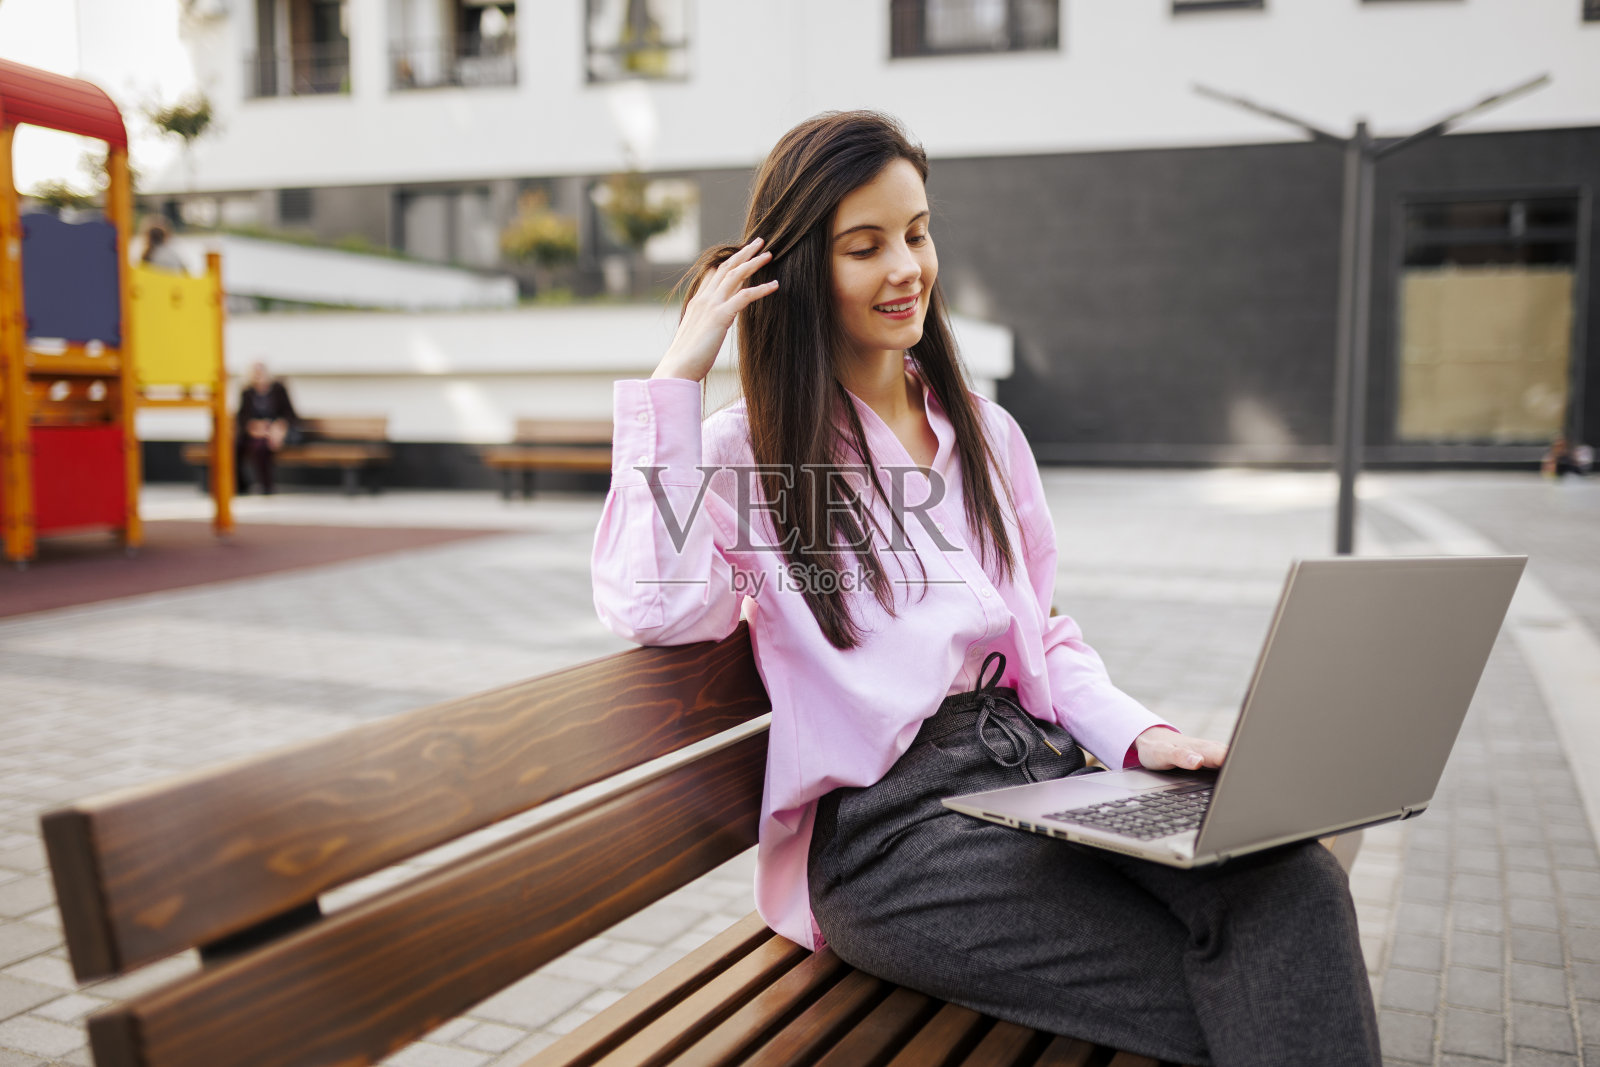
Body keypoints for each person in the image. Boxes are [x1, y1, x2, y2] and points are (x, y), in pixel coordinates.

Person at [590, 111, 1380, 1066]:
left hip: (1042, 781)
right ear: (801, 269)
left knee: (1290, 879)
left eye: (917, 232)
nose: (906, 267)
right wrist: (679, 375)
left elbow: (1041, 633)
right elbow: (656, 607)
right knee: (1244, 986)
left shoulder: (988, 435)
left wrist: (1141, 736)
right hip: (896, 840)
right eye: (864, 246)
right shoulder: (747, 453)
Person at [235, 361, 298, 494]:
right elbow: (242, 417)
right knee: (235, 446)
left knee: (260, 447)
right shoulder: (248, 393)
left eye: (261, 372)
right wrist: (253, 427)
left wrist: (279, 427)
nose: (259, 376)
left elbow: (290, 414)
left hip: (274, 431)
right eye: (255, 373)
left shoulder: (278, 390)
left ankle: (267, 486)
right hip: (254, 432)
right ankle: (240, 485)